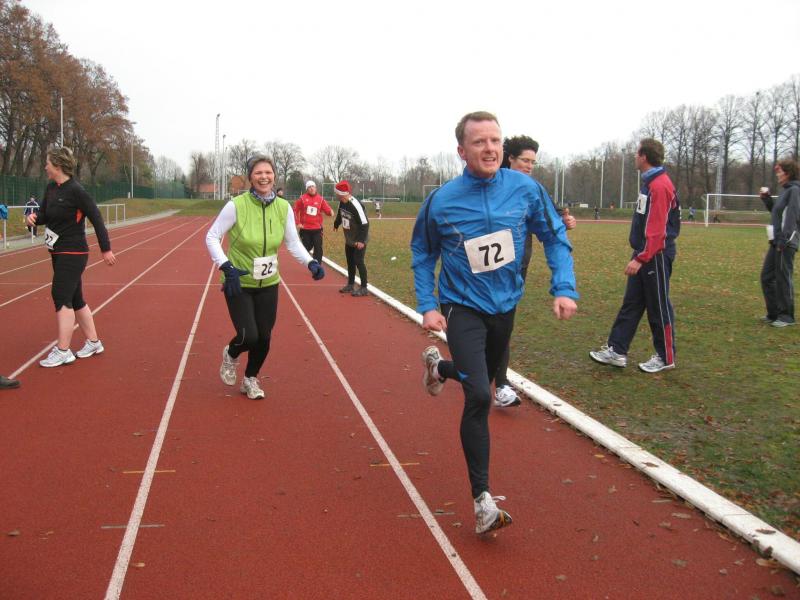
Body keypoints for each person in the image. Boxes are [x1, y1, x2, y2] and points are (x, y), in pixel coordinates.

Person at [411, 112, 578, 534]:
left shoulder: (525, 189)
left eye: (495, 141)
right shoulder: (442, 200)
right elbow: (423, 253)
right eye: (479, 141)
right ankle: (482, 501)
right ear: (461, 150)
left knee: (480, 376)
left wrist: (563, 287)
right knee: (480, 396)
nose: (489, 148)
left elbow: (554, 236)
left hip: (505, 305)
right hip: (461, 305)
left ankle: (438, 368)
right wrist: (428, 304)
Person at [206, 155, 325, 400]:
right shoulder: (236, 205)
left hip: (269, 283)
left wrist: (310, 262)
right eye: (258, 172)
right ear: (250, 177)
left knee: (264, 338)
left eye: (268, 172)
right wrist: (226, 267)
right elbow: (212, 237)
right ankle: (231, 354)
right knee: (248, 336)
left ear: (274, 176)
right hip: (239, 281)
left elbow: (293, 242)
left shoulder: (283, 207)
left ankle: (250, 378)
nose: (264, 177)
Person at [491, 135, 576, 408]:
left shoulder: (531, 189)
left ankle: (501, 384)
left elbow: (548, 219)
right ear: (510, 159)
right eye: (525, 160)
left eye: (533, 162)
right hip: (482, 271)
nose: (529, 166)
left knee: (503, 326)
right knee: (482, 330)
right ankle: (450, 369)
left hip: (517, 267)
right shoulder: (490, 182)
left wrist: (563, 220)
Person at [590, 138, 680, 373]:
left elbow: (657, 229)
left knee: (658, 306)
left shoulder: (659, 185)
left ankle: (666, 356)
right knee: (632, 303)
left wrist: (641, 257)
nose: (634, 156)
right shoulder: (649, 183)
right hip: (644, 252)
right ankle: (617, 350)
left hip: (655, 255)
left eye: (636, 153)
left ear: (644, 156)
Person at [26, 146, 116, 368]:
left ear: (57, 165)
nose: (45, 167)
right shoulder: (50, 188)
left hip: (74, 251)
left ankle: (63, 351)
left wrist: (106, 249)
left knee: (60, 294)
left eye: (47, 163)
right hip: (57, 251)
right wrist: (34, 218)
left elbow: (96, 218)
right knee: (75, 299)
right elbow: (46, 215)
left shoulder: (77, 191)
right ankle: (94, 342)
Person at [758, 157, 800, 327]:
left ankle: (787, 316)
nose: (777, 174)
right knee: (767, 277)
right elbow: (778, 213)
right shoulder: (785, 191)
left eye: (779, 171)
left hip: (785, 242)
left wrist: (784, 240)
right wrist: (767, 199)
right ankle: (774, 313)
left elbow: (792, 217)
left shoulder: (795, 191)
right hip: (776, 241)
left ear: (787, 173)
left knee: (783, 278)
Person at [333, 180, 370, 297]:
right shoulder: (342, 202)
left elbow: (365, 224)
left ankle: (364, 287)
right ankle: (350, 284)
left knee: (358, 261)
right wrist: (336, 224)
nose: (335, 195)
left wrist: (361, 241)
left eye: (337, 193)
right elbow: (340, 214)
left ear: (342, 194)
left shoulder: (355, 205)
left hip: (359, 238)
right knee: (350, 261)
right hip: (349, 238)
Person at [294, 180, 333, 263]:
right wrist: (298, 223)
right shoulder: (302, 199)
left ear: (315, 188)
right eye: (309, 187)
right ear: (307, 189)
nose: (311, 188)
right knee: (306, 248)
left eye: (313, 186)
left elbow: (327, 209)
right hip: (305, 229)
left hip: (317, 229)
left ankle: (317, 265)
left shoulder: (320, 199)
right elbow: (295, 210)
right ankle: (307, 261)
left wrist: (330, 212)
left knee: (318, 248)